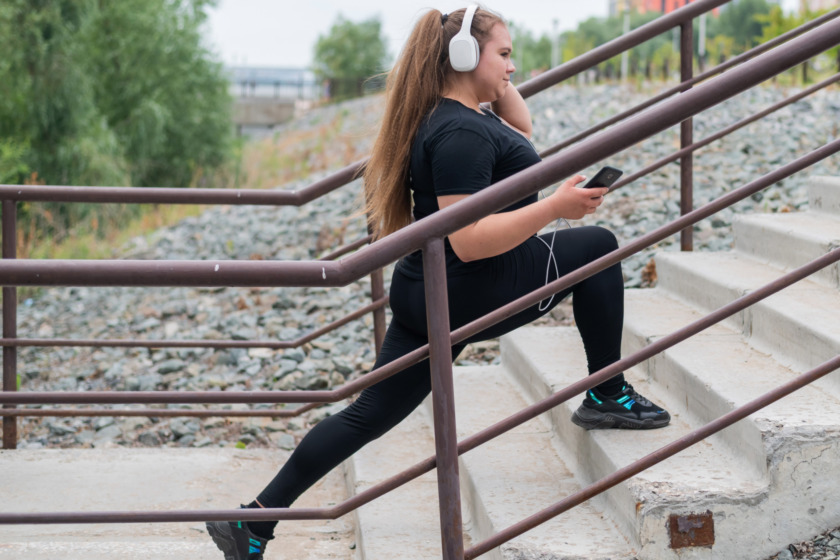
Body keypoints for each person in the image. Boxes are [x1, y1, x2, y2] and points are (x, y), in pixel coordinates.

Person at [206, 5, 671, 559]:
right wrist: (554, 209)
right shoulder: (460, 134)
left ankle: (253, 522)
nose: (514, 67)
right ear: (465, 56)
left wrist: (489, 76)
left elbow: (521, 128)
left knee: (370, 412)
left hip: (429, 287)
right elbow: (468, 238)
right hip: (468, 282)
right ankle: (606, 391)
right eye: (504, 54)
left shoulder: (456, 116)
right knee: (597, 245)